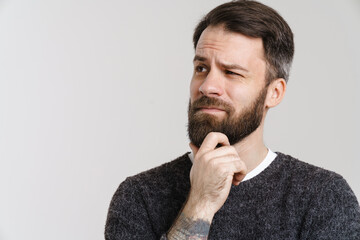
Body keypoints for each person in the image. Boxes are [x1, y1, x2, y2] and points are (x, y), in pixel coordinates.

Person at [105, 1, 360, 239]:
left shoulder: (323, 197)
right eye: (201, 68)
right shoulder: (139, 196)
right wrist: (201, 203)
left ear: (274, 92)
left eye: (231, 72)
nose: (207, 86)